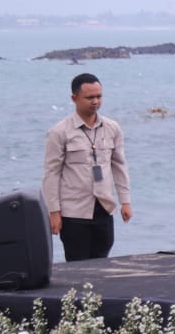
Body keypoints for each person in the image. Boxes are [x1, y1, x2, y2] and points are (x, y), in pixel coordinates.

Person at [43, 72, 133, 262]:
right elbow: (51, 173)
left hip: (104, 208)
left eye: (99, 96)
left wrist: (125, 201)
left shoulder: (112, 128)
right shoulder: (59, 132)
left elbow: (119, 165)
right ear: (74, 98)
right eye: (90, 97)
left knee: (102, 263)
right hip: (73, 212)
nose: (95, 102)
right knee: (77, 265)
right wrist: (53, 212)